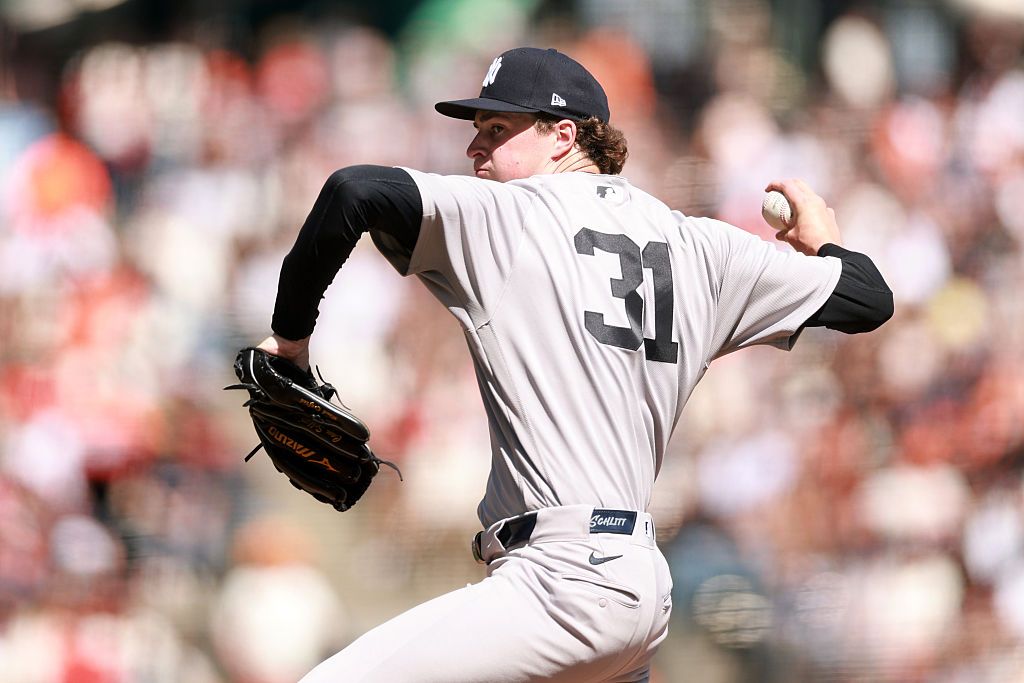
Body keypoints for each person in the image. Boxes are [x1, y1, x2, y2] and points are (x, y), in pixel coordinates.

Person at [254, 47, 893, 682]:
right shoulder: (704, 247)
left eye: (497, 131)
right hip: (639, 586)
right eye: (476, 133)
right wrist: (824, 245)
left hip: (557, 584)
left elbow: (353, 190)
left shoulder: (512, 214)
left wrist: (289, 346)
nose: (476, 150)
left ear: (564, 136)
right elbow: (868, 297)